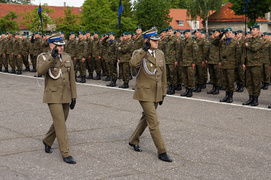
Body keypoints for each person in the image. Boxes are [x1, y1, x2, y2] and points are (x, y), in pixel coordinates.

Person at [129, 28, 172, 162]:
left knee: (146, 118)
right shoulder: (139, 53)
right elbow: (133, 64)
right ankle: (162, 151)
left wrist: (163, 92)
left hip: (156, 92)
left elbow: (163, 74)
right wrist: (144, 49)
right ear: (147, 41)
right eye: (154, 40)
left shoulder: (160, 54)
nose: (157, 42)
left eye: (157, 40)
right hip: (144, 92)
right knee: (153, 122)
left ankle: (133, 140)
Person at [37, 33, 77, 164]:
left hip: (65, 94)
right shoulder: (43, 57)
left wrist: (74, 96)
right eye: (59, 46)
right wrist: (51, 57)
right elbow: (40, 71)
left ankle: (47, 140)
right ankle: (66, 153)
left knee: (61, 120)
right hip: (52, 95)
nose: (61, 48)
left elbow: (72, 78)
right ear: (51, 45)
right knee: (60, 125)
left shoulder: (66, 57)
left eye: (62, 46)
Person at [212, 28, 240, 103]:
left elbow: (238, 55)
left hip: (231, 65)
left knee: (230, 81)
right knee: (225, 81)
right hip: (224, 64)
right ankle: (226, 95)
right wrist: (220, 35)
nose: (228, 34)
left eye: (229, 33)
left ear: (232, 34)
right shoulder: (223, 41)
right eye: (226, 33)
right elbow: (214, 42)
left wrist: (237, 66)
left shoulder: (235, 42)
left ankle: (230, 96)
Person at [242, 25, 264, 106]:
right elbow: (244, 52)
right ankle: (250, 98)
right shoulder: (248, 39)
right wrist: (244, 63)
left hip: (256, 64)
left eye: (254, 29)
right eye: (251, 29)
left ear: (258, 31)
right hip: (249, 64)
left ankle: (255, 99)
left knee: (256, 82)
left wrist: (247, 45)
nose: (252, 30)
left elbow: (255, 48)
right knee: (249, 82)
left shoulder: (260, 40)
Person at [180, 29, 198, 97]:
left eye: (187, 33)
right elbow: (181, 52)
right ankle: (186, 89)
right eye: (184, 33)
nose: (185, 35)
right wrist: (181, 60)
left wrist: (194, 62)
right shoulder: (183, 42)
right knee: (185, 77)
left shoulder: (193, 42)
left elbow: (195, 52)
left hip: (190, 63)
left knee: (190, 77)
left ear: (190, 34)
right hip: (184, 62)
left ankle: (190, 91)